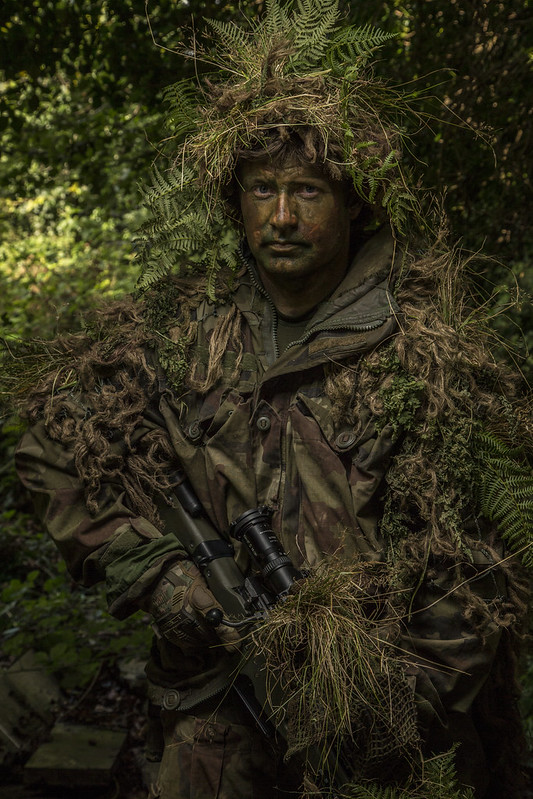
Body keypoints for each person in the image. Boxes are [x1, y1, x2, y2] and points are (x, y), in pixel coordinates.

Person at [12, 2, 532, 797]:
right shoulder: (180, 335)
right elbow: (50, 445)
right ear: (235, 201)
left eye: (307, 191)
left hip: (381, 741)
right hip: (215, 716)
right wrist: (160, 576)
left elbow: (477, 583)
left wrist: (374, 713)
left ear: (355, 201)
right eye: (261, 189)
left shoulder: (424, 363)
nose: (281, 216)